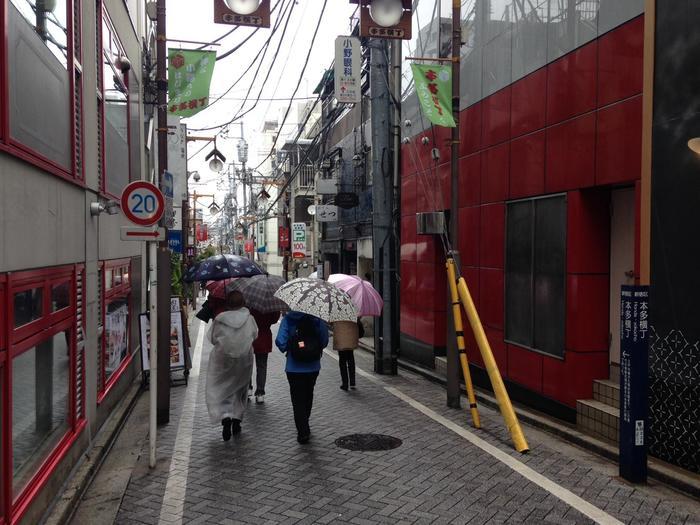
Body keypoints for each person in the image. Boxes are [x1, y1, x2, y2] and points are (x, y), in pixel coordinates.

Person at [205, 291, 258, 441]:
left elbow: (213, 338)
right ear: (243, 303)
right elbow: (255, 335)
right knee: (240, 390)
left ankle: (225, 416)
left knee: (223, 389)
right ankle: (237, 420)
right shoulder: (250, 319)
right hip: (244, 360)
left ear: (228, 304)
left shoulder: (220, 319)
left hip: (223, 359)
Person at [275, 311, 329, 444]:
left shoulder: (289, 319)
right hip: (313, 366)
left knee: (297, 400)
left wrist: (292, 347)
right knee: (308, 395)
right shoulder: (317, 319)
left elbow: (280, 342)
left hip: (293, 367)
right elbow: (325, 341)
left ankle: (302, 430)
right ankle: (305, 424)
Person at [249, 309, 281, 404]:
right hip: (264, 336)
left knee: (247, 365)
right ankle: (260, 393)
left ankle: (248, 389)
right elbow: (275, 319)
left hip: (249, 335)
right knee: (262, 366)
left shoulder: (249, 301)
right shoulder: (270, 304)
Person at [338, 318, 364, 391]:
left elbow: (333, 326)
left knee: (342, 362)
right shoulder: (353, 314)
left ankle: (345, 384)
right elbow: (361, 330)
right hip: (350, 340)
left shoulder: (338, 315)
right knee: (350, 360)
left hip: (341, 340)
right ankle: (352, 382)